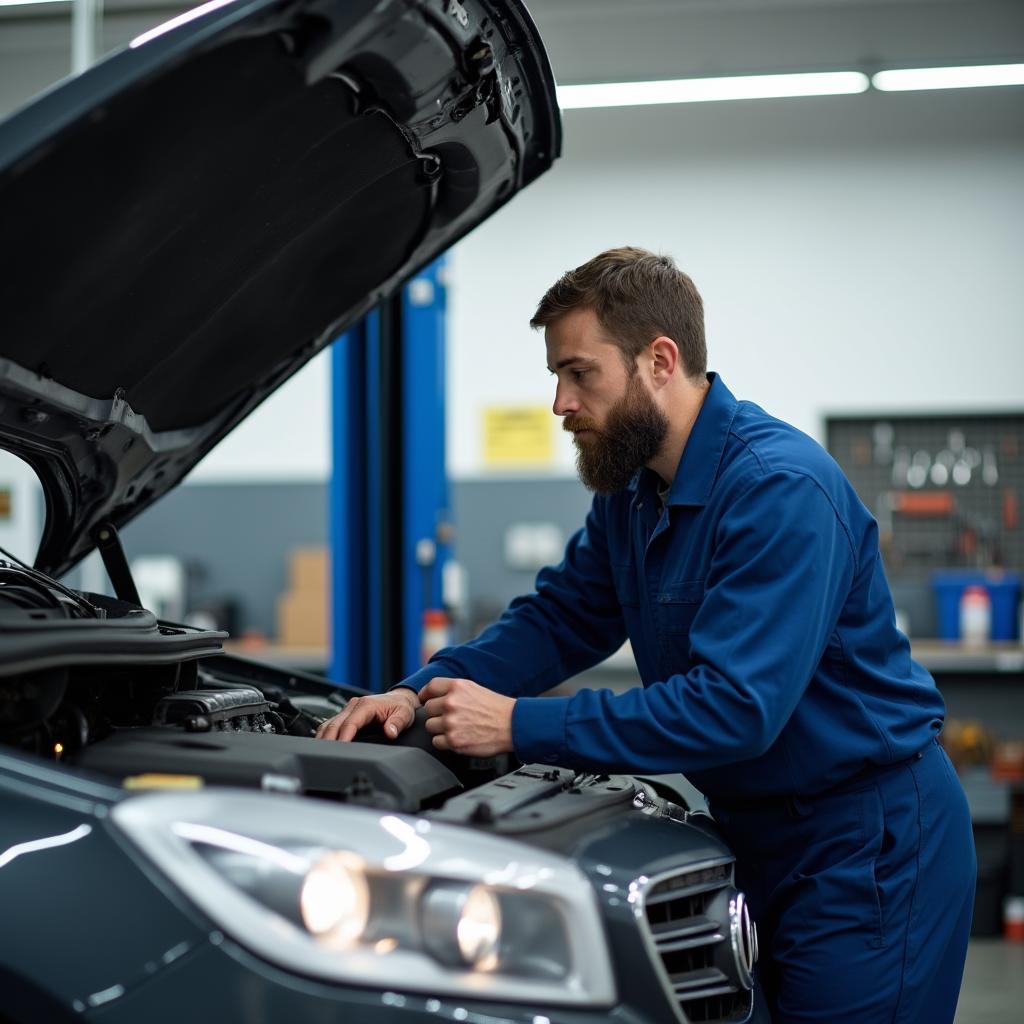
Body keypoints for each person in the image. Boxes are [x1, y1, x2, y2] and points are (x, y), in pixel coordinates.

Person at [316, 247, 976, 1023]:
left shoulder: (778, 490)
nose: (560, 402)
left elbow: (734, 708)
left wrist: (520, 724)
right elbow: (559, 618)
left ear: (659, 359)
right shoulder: (633, 494)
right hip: (755, 832)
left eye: (579, 373)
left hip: (868, 844)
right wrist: (415, 692)